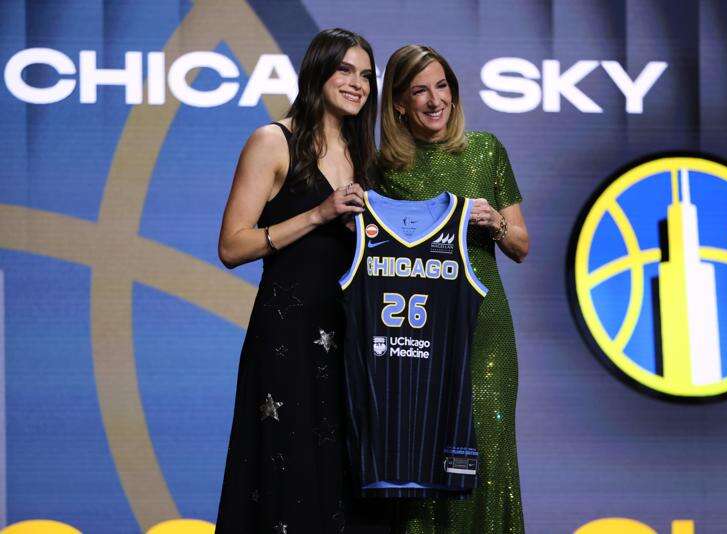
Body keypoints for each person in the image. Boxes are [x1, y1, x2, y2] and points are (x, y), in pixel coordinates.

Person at [215, 28, 378, 533]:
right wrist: (317, 215)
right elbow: (232, 246)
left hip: (352, 341)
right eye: (345, 70)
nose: (357, 83)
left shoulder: (364, 155)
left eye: (366, 75)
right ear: (317, 71)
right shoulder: (273, 141)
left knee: (343, 484)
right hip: (288, 338)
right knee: (286, 477)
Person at [378, 45, 529, 533]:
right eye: (420, 90)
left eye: (442, 86)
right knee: (423, 452)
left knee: (487, 451)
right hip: (417, 331)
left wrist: (496, 224)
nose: (435, 99)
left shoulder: (486, 150)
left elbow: (521, 246)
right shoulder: (382, 167)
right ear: (399, 103)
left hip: (485, 329)